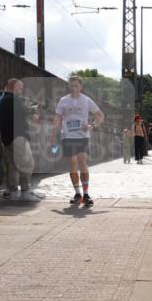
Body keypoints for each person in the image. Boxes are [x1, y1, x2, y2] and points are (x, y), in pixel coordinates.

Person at [50, 76, 105, 206]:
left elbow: (100, 116)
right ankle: (77, 193)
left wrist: (92, 125)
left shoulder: (86, 100)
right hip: (67, 136)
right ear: (69, 87)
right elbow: (57, 118)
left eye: (76, 85)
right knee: (73, 163)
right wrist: (52, 135)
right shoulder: (63, 101)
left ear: (81, 87)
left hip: (82, 136)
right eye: (71, 85)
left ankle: (86, 194)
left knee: (82, 161)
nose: (74, 88)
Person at [0, 78, 39, 201]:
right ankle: (25, 192)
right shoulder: (13, 99)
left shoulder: (2, 99)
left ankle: (12, 191)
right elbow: (23, 111)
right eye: (20, 87)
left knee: (12, 165)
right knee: (27, 163)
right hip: (18, 137)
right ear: (14, 86)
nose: (21, 90)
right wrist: (33, 110)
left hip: (7, 138)